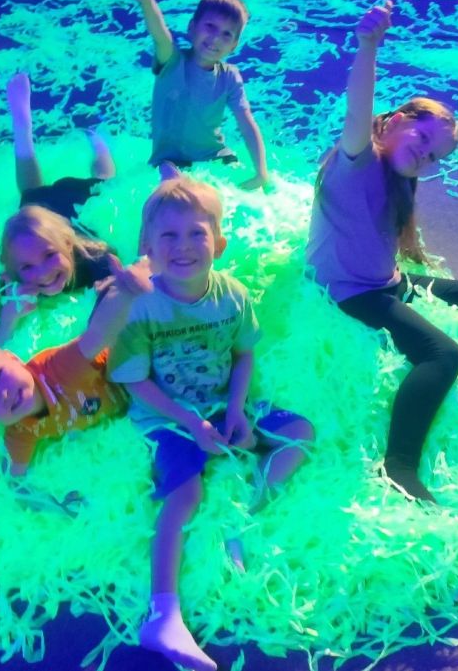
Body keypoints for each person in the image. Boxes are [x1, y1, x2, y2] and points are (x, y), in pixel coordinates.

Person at [108, 176, 314, 671]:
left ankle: (247, 512)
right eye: (168, 236)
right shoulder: (141, 307)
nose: (183, 247)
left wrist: (238, 410)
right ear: (147, 248)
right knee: (186, 493)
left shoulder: (233, 295)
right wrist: (190, 422)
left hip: (223, 403)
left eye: (196, 234)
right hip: (167, 415)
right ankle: (164, 615)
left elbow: (243, 355)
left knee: (300, 433)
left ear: (218, 243)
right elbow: (133, 381)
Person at [306, 0, 458, 504]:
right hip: (352, 292)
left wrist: (407, 272)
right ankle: (398, 465)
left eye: (434, 156)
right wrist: (368, 46)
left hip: (387, 281)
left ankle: (436, 385)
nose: (424, 156)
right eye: (422, 137)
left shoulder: (399, 179)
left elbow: (388, 235)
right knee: (445, 353)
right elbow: (357, 108)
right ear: (394, 121)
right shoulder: (356, 163)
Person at [0, 256, 151, 510]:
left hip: (140, 362)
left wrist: (127, 290)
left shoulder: (60, 369)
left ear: (13, 358)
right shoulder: (21, 432)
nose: (2, 396)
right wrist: (56, 506)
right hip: (134, 406)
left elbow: (99, 333)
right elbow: (15, 482)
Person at [0, 72, 123, 344]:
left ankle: (98, 142)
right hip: (43, 223)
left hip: (78, 202)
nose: (42, 272)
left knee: (104, 182)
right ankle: (22, 132)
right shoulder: (15, 283)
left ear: (67, 245)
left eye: (50, 255)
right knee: (30, 196)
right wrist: (8, 318)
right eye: (27, 266)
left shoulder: (98, 261)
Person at [131, 0, 270, 190]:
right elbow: (160, 33)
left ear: (234, 46)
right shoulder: (172, 62)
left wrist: (261, 173)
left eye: (227, 34)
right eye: (210, 26)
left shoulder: (230, 77)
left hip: (216, 157)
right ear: (192, 27)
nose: (215, 38)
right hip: (169, 162)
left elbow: (247, 123)